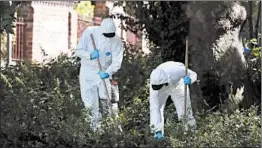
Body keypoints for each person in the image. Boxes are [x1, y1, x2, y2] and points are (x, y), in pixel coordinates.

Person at [75, 18, 124, 132]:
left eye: (111, 34)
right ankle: (95, 132)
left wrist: (107, 73)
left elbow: (117, 62)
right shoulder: (90, 32)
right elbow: (79, 51)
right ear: (101, 30)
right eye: (107, 34)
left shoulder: (117, 41)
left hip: (104, 73)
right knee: (91, 105)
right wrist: (90, 55)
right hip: (88, 72)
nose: (109, 37)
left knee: (110, 102)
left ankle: (114, 130)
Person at [149, 61, 197, 141]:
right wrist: (157, 129)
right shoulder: (154, 85)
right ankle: (158, 135)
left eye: (158, 86)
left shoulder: (177, 70)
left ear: (164, 82)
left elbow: (193, 74)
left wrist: (190, 79)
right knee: (156, 108)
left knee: (184, 110)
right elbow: (155, 108)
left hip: (178, 85)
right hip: (161, 91)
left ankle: (191, 134)